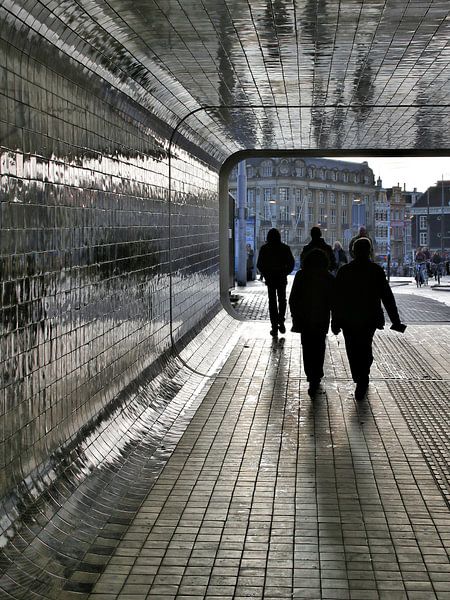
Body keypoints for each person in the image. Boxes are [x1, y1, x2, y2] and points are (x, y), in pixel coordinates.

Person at [331, 237, 406, 401]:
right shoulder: (376, 271)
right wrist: (395, 320)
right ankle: (363, 375)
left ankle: (359, 376)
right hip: (369, 317)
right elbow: (387, 297)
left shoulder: (344, 271)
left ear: (353, 252)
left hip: (348, 319)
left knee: (351, 349)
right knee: (365, 346)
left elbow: (336, 299)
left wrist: (334, 321)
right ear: (369, 251)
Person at [289, 249, 335, 397]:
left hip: (304, 318)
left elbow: (293, 298)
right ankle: (317, 374)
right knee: (319, 346)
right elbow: (334, 301)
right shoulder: (328, 277)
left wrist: (295, 318)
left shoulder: (301, 275)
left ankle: (311, 376)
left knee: (307, 347)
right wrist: (336, 321)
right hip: (321, 318)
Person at [257, 228, 295, 337]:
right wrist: (285, 273)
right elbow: (291, 263)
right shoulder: (285, 248)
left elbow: (259, 264)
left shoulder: (264, 249)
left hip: (270, 279)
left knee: (272, 302)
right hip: (281, 278)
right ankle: (281, 321)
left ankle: (274, 327)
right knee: (282, 300)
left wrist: (266, 274)